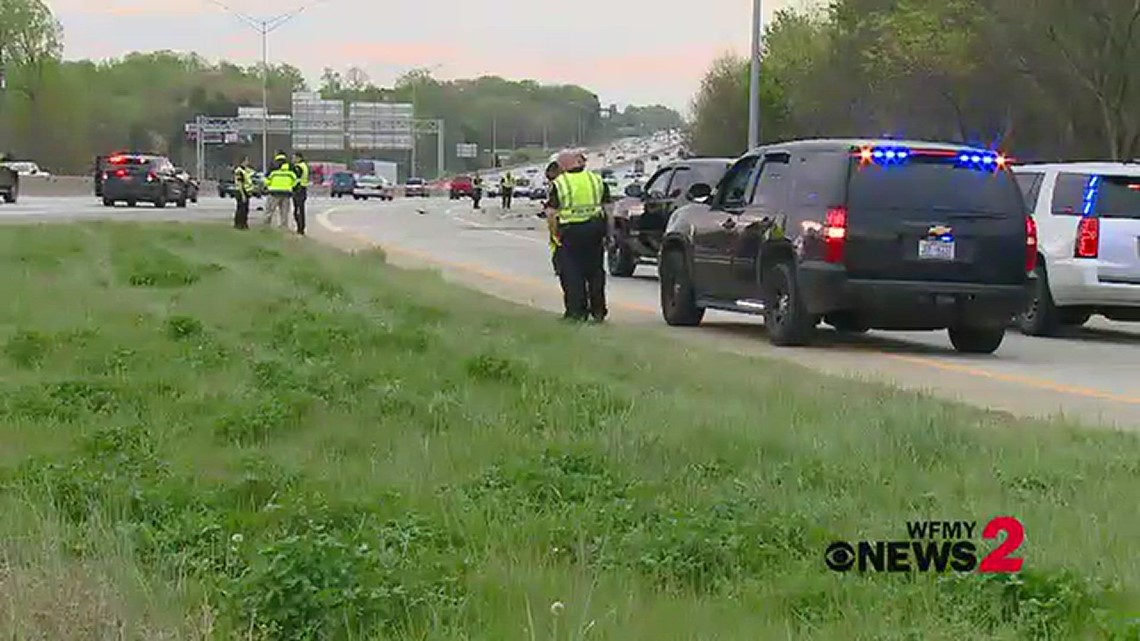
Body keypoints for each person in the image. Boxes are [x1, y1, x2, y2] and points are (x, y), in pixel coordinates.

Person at [545, 150, 611, 322]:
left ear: (564, 165)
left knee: (572, 272)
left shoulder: (560, 183)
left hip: (570, 232)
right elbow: (608, 208)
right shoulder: (596, 180)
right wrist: (608, 232)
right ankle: (598, 311)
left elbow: (551, 214)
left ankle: (576, 312)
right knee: (595, 272)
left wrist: (554, 235)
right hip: (595, 229)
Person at [264, 151, 296, 229]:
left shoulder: (273, 165)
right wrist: (291, 186)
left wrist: (268, 186)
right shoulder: (290, 166)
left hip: (273, 191)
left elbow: (267, 178)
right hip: (286, 192)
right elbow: (295, 178)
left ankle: (266, 226)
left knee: (269, 211)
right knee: (284, 212)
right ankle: (284, 227)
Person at [544, 160, 563, 275]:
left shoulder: (559, 185)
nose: (550, 181)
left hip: (560, 220)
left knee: (557, 244)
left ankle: (559, 266)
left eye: (551, 178)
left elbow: (553, 209)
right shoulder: (557, 184)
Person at [232, 156, 254, 229]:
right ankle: (239, 224)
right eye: (246, 161)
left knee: (245, 209)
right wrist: (243, 195)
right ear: (243, 162)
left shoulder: (246, 170)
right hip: (240, 191)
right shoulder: (239, 171)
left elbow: (251, 174)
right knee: (241, 209)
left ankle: (244, 223)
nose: (248, 162)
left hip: (246, 191)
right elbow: (240, 183)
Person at [291, 152, 310, 236]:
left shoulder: (299, 167)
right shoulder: (304, 165)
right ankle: (301, 228)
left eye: (294, 158)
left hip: (299, 190)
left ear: (298, 158)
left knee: (297, 211)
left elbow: (296, 178)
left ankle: (300, 228)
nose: (293, 160)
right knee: (300, 210)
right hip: (302, 189)